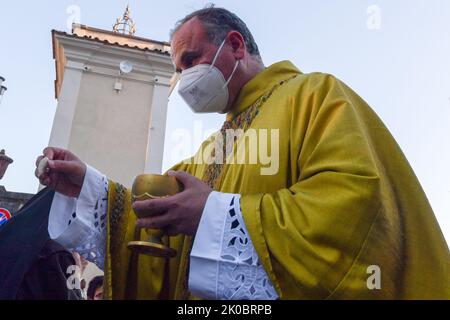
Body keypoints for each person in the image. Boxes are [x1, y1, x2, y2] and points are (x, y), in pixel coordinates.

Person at [36, 6, 449, 300]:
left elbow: (356, 207)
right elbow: (152, 216)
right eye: (178, 69)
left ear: (235, 45)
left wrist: (214, 214)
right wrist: (89, 187)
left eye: (191, 60)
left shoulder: (315, 95)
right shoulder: (210, 149)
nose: (184, 78)